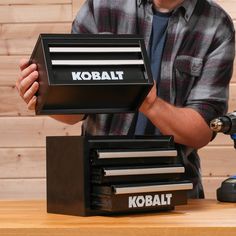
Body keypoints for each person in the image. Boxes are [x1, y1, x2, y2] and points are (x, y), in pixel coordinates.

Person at [16, 0, 235, 198]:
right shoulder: (100, 6)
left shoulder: (216, 25)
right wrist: (41, 95)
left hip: (172, 191)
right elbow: (74, 112)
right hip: (97, 188)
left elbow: (202, 131)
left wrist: (151, 104)